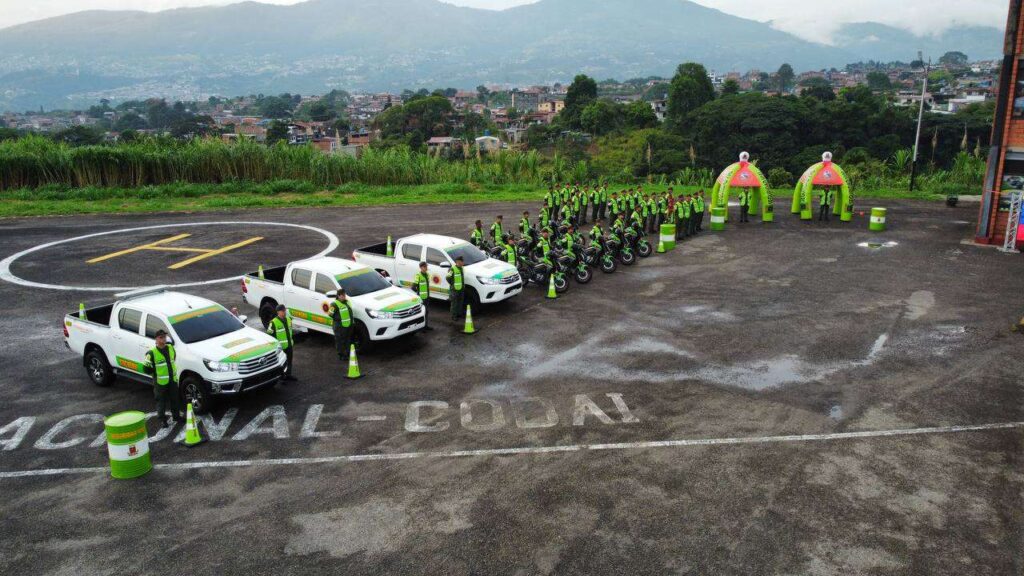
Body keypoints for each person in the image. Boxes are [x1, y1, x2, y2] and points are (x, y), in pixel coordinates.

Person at [146, 330, 182, 427]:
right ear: (156, 339)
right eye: (161, 337)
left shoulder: (170, 347)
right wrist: (155, 375)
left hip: (172, 380)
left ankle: (176, 416)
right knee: (161, 401)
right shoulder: (151, 353)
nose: (164, 339)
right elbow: (146, 368)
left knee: (175, 399)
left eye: (164, 337)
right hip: (160, 382)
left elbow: (173, 358)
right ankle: (162, 420)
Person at [267, 305, 296, 381]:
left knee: (289, 361)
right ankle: (282, 378)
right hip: (280, 347)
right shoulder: (273, 322)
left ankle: (288, 375)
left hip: (289, 345)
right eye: (282, 311)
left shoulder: (289, 319)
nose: (284, 312)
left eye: (284, 310)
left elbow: (290, 331)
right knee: (282, 363)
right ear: (278, 312)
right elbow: (269, 335)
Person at [328, 289, 355, 359]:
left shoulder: (347, 302)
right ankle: (341, 355)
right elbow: (330, 314)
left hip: (348, 325)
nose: (344, 296)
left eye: (344, 295)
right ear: (338, 296)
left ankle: (347, 353)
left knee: (347, 340)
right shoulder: (334, 304)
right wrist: (338, 318)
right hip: (339, 326)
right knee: (340, 341)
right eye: (342, 295)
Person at [411, 262, 433, 331]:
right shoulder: (418, 275)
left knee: (426, 312)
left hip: (427, 297)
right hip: (421, 298)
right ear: (421, 267)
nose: (426, 268)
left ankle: (425, 326)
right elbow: (413, 287)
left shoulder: (427, 274)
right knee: (422, 312)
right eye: (425, 267)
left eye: (426, 266)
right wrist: (419, 293)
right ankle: (421, 327)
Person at [447, 256, 466, 322]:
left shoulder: (461, 268)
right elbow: (448, 277)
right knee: (454, 303)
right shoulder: (452, 269)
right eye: (462, 261)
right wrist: (452, 284)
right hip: (455, 289)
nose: (463, 262)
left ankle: (459, 314)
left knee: (460, 302)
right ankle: (453, 316)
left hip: (461, 289)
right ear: (458, 261)